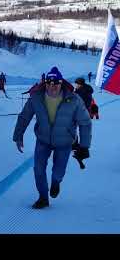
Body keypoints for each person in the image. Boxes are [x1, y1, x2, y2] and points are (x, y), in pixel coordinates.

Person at [13, 67, 92, 209]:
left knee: (58, 171)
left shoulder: (74, 99)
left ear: (61, 83)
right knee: (38, 169)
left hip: (64, 142)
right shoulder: (36, 98)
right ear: (45, 83)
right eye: (49, 83)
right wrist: (18, 136)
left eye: (56, 83)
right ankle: (43, 197)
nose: (52, 86)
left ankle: (56, 182)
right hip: (43, 140)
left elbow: (85, 123)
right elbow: (24, 116)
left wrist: (84, 146)